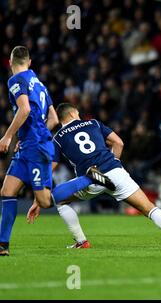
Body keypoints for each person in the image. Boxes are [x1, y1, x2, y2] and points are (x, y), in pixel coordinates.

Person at [26, 103, 161, 249]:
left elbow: (50, 168)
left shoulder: (58, 138)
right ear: (73, 113)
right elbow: (118, 142)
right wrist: (113, 162)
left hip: (90, 181)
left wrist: (39, 199)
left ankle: (81, 241)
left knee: (61, 201)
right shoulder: (93, 123)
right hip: (115, 171)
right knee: (149, 208)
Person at [0, 47, 112, 256]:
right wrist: (27, 135)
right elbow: (52, 119)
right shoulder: (39, 84)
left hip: (35, 148)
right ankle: (2, 245)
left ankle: (89, 178)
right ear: (30, 62)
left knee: (44, 201)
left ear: (10, 62)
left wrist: (8, 136)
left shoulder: (16, 81)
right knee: (7, 192)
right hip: (29, 145)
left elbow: (24, 110)